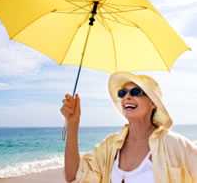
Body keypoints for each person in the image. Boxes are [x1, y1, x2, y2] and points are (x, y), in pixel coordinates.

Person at [60, 71, 197, 183]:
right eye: (122, 93)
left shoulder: (174, 144)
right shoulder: (110, 146)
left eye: (136, 92)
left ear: (153, 102)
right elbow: (74, 177)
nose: (127, 97)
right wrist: (73, 124)